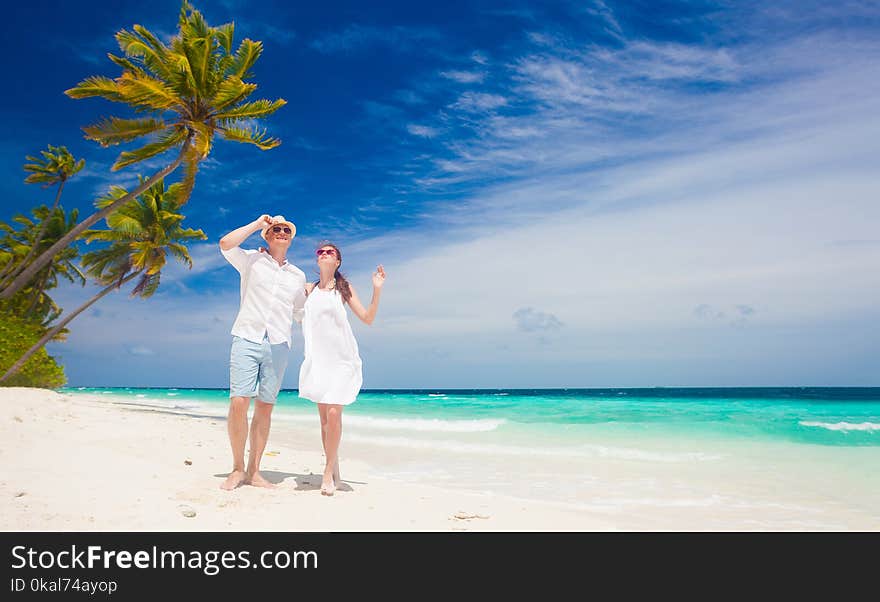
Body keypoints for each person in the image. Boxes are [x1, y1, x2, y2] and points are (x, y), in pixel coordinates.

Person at [218, 214, 306, 490]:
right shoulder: (251, 260)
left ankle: (254, 471)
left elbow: (301, 313)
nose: (281, 232)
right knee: (239, 402)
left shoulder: (297, 275)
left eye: (286, 230)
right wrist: (257, 223)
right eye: (276, 229)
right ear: (267, 236)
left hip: (278, 344)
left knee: (265, 409)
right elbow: (224, 244)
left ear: (290, 239)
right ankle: (237, 468)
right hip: (246, 336)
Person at [298, 242, 386, 496]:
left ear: (337, 261)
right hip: (318, 360)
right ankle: (333, 465)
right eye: (320, 252)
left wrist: (377, 290)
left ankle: (327, 473)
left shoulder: (344, 289)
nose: (324, 254)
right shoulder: (308, 289)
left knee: (335, 413)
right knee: (325, 421)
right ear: (317, 260)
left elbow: (367, 318)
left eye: (330, 252)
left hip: (341, 360)